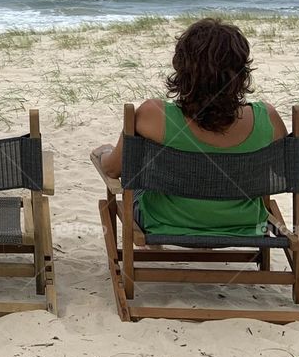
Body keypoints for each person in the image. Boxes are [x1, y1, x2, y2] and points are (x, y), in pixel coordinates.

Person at [90, 17, 286, 237]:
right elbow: (280, 172)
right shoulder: (267, 118)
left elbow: (113, 170)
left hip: (164, 222)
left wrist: (102, 154)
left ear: (182, 68)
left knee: (139, 186)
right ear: (241, 72)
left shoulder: (153, 115)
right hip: (247, 224)